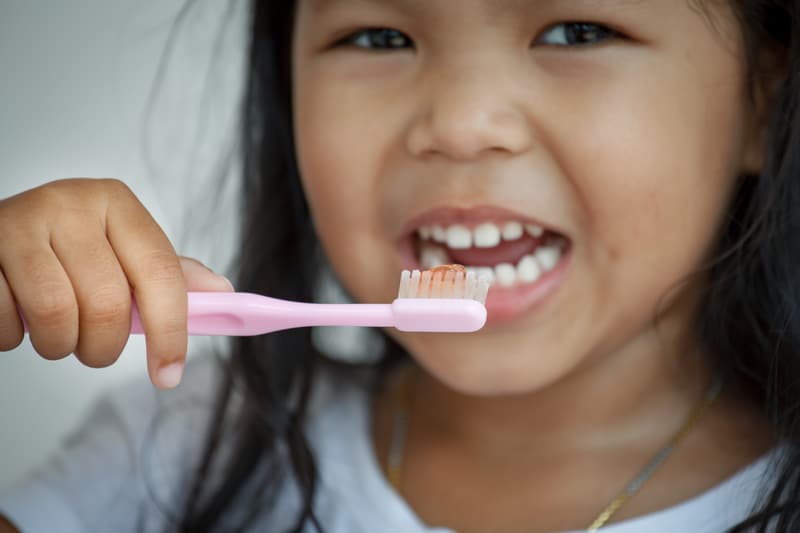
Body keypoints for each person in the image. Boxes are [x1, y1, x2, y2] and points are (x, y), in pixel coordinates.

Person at [0, 0, 797, 531]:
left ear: (764, 95)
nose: (459, 124)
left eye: (576, 30)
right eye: (379, 38)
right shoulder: (180, 447)